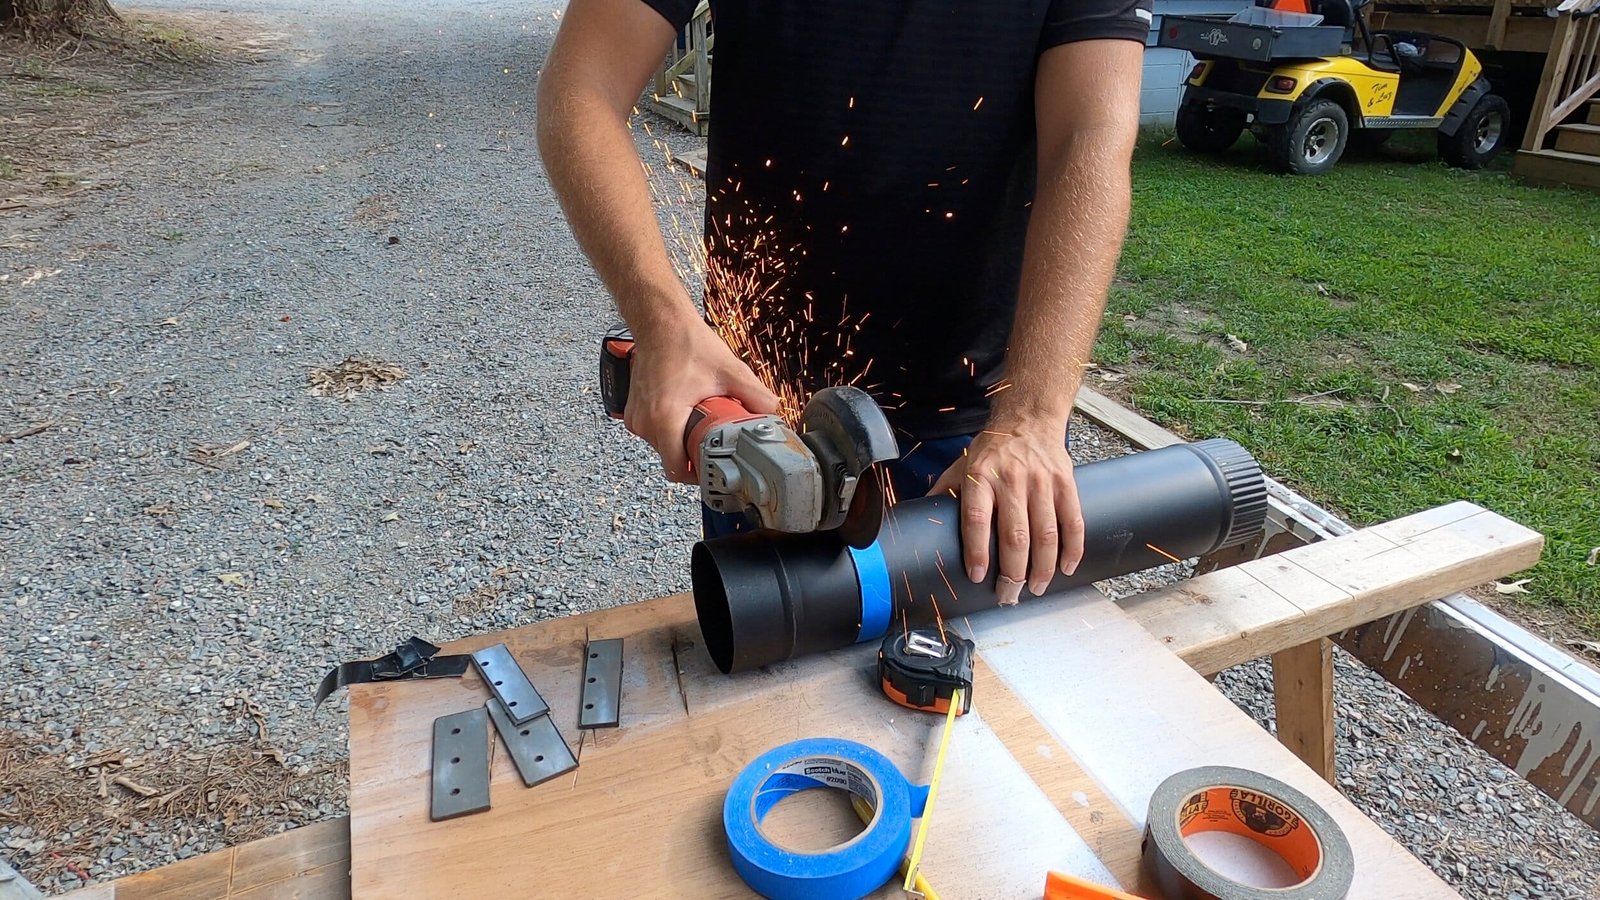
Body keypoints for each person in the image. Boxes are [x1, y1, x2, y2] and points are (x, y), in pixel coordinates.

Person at [537, 0, 1151, 606]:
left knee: (986, 684)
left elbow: (1089, 137)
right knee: (771, 657)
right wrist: (663, 322)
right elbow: (582, 87)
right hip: (763, 415)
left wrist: (1032, 419)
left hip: (978, 430)